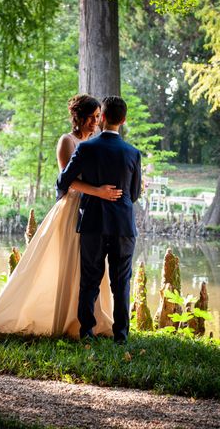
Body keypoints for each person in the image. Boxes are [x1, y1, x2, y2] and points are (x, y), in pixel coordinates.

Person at [0, 94, 120, 337]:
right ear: (79, 117)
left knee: (90, 267)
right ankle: (66, 321)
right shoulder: (67, 141)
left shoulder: (96, 143)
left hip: (93, 211)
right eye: (92, 117)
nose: (95, 122)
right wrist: (97, 191)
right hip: (71, 210)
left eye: (97, 118)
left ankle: (90, 320)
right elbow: (68, 181)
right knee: (70, 264)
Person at [56, 96, 142, 345]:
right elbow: (134, 194)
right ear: (123, 120)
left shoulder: (86, 148)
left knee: (90, 279)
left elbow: (63, 181)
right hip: (123, 226)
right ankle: (121, 335)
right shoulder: (133, 153)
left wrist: (94, 190)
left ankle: (87, 332)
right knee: (121, 281)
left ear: (102, 117)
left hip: (93, 222)